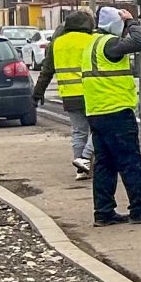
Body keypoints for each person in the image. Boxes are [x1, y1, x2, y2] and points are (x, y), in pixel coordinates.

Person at [78, 6, 141, 226]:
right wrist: (131, 22)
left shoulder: (92, 44)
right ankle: (140, 208)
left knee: (105, 164)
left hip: (97, 112)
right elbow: (139, 42)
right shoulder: (109, 44)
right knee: (131, 162)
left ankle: (103, 212)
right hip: (116, 112)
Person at [34, 9, 96, 178]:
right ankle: (84, 158)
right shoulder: (92, 41)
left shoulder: (57, 43)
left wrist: (37, 94)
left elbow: (46, 71)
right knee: (99, 129)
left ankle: (81, 169)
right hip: (92, 93)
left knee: (78, 131)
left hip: (69, 95)